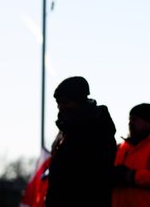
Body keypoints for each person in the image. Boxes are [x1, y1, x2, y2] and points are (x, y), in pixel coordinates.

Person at [45, 76, 117, 207]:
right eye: (58, 103)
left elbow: (94, 178)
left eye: (66, 102)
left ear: (80, 101)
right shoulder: (67, 129)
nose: (61, 107)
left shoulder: (97, 130)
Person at [112, 103, 150, 207]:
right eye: (130, 119)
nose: (130, 123)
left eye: (135, 120)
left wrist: (131, 176)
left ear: (147, 122)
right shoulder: (121, 148)